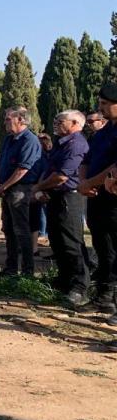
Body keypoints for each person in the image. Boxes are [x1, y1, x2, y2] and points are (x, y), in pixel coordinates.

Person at [32, 111, 89, 307]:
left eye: (60, 121)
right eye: (55, 120)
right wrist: (42, 188)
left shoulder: (77, 144)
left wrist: (39, 187)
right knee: (57, 240)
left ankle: (80, 286)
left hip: (70, 197)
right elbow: (49, 170)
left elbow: (63, 176)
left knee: (72, 242)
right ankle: (65, 280)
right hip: (55, 196)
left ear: (75, 123)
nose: (55, 123)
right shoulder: (60, 142)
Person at [78, 84, 117, 318]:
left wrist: (90, 182)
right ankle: (104, 298)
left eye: (105, 104)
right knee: (102, 248)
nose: (100, 108)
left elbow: (115, 167)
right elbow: (87, 159)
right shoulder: (102, 133)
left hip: (113, 199)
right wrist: (84, 182)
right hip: (96, 198)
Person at [0, 107, 42, 277]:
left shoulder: (30, 140)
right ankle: (11, 267)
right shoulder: (9, 139)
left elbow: (23, 169)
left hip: (21, 190)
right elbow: (1, 163)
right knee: (8, 229)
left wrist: (4, 186)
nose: (5, 122)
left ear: (21, 120)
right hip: (7, 189)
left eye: (8, 119)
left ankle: (27, 270)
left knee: (21, 230)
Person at [29, 133, 53, 251]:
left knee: (39, 214)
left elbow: (44, 172)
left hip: (38, 188)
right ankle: (42, 235)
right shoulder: (40, 155)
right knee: (39, 214)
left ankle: (40, 238)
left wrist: (37, 188)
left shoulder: (42, 157)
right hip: (38, 188)